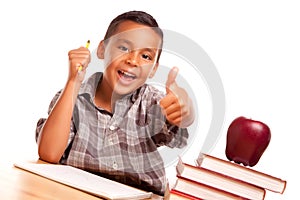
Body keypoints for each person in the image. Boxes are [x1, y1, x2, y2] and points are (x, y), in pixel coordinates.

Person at [35, 10, 195, 195]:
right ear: (102, 49)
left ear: (153, 70)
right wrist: (73, 81)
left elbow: (179, 126)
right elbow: (48, 154)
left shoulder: (152, 102)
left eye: (145, 56)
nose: (132, 61)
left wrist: (186, 111)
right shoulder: (73, 99)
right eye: (124, 48)